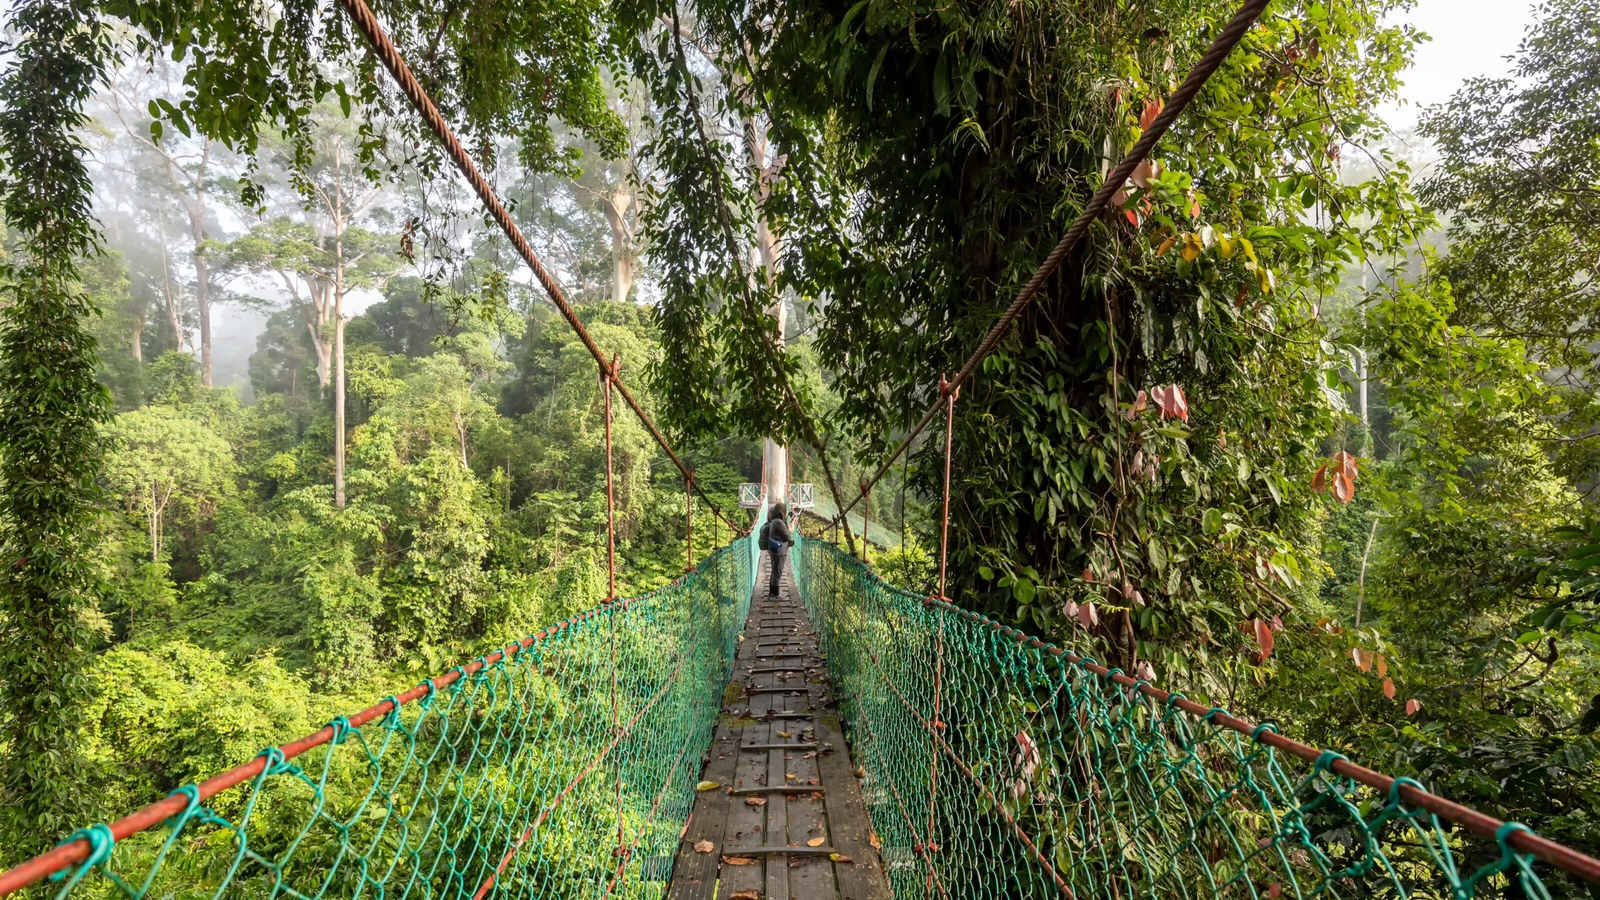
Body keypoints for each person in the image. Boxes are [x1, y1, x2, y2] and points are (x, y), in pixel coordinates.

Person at [757, 503, 793, 596]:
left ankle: (772, 593)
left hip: (775, 550)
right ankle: (776, 595)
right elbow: (787, 536)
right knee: (777, 573)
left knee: (774, 572)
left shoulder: (774, 521)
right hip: (780, 551)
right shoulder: (778, 522)